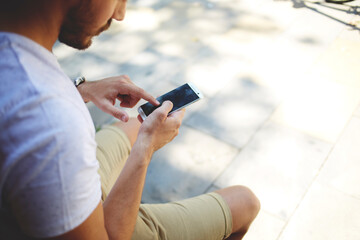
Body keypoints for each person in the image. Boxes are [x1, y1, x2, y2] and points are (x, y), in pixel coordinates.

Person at [0, 0, 260, 239]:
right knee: (245, 201)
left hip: (52, 185)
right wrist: (146, 148)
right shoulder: (51, 123)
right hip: (105, 229)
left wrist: (80, 90)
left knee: (135, 121)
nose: (120, 14)